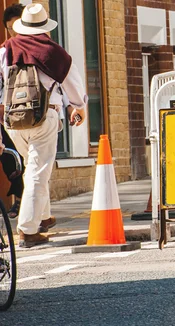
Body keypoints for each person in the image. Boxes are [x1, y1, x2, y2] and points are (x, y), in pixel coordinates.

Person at [0, 3, 88, 248]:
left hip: (14, 121)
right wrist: (78, 107)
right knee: (38, 171)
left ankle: (45, 217)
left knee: (34, 167)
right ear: (45, 28)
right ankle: (28, 230)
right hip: (44, 117)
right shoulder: (54, 52)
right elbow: (75, 86)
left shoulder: (6, 50)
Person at [0, 3, 25, 219]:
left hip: (37, 114)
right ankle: (21, 203)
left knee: (27, 163)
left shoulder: (43, 50)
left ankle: (26, 208)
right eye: (9, 28)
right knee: (16, 159)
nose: (14, 32)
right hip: (10, 115)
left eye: (17, 25)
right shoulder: (3, 52)